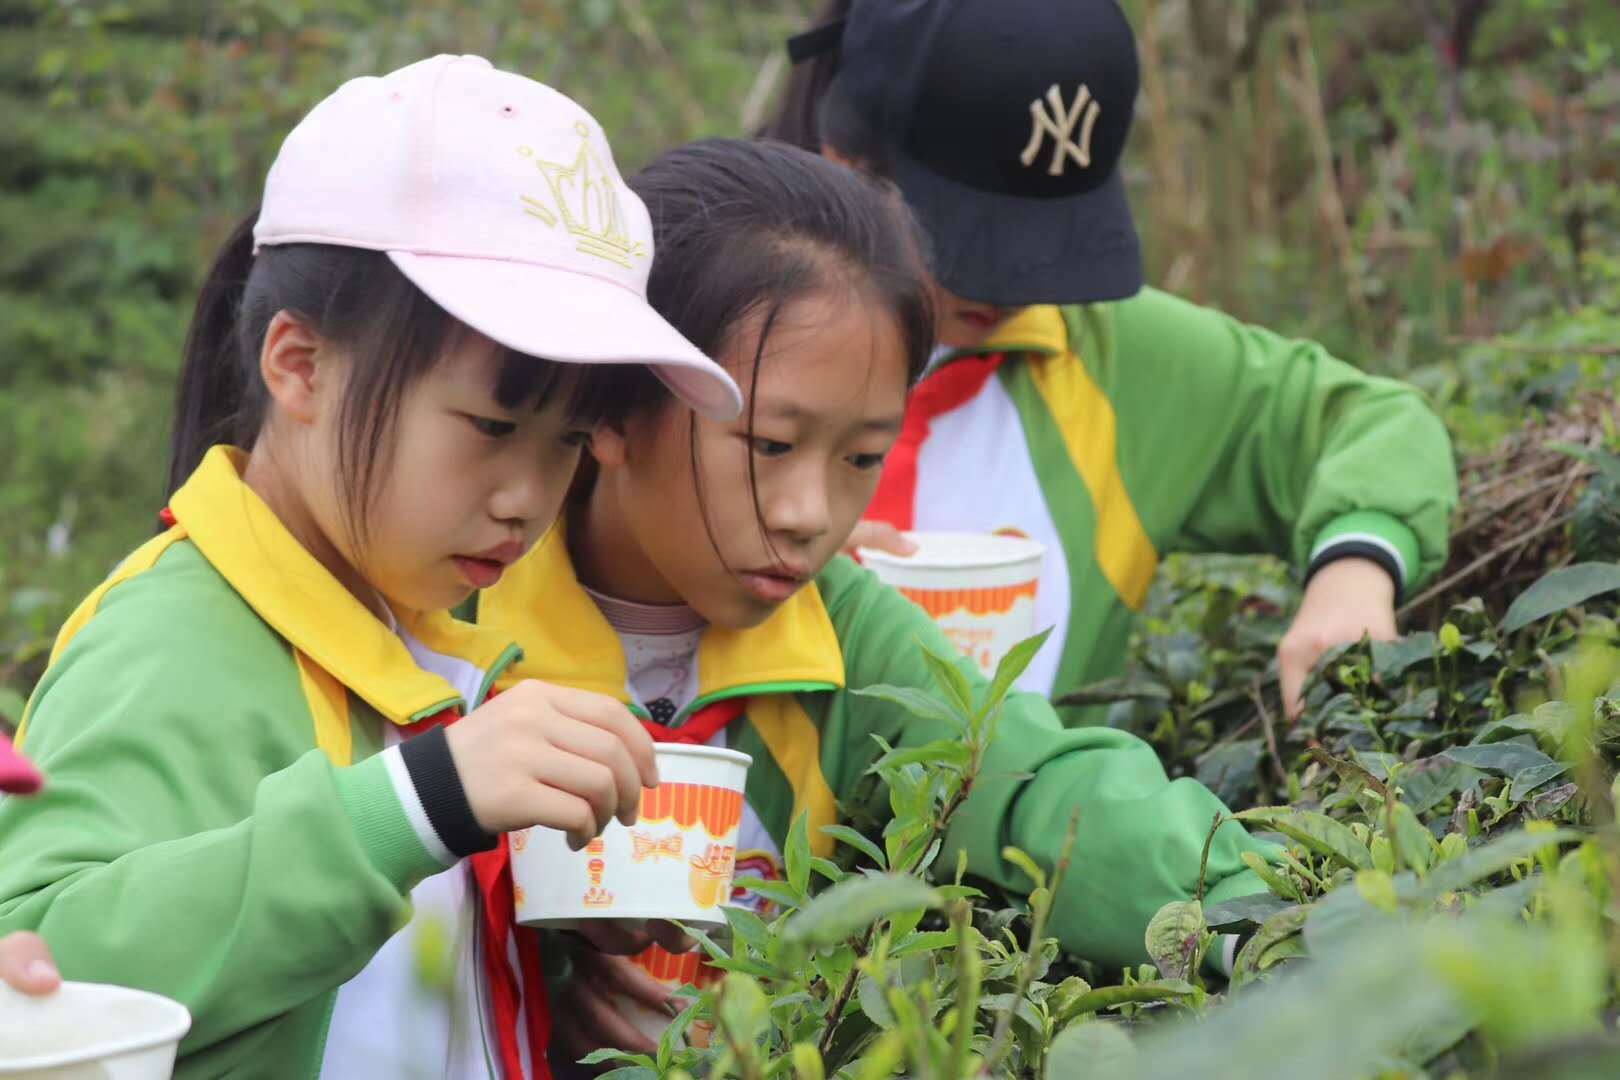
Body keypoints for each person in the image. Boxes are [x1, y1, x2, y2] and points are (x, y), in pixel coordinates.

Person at [457, 138, 1280, 1067]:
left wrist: (1282, 914)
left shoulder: (842, 632)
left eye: (860, 457)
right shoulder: (457, 625)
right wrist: (540, 978)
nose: (812, 517)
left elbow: (1034, 790)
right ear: (614, 408)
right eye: (769, 443)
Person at [0, 55, 740, 1078]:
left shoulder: (417, 642)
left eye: (565, 440)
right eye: (491, 423)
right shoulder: (172, 642)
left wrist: (547, 973)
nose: (527, 496)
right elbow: (42, 971)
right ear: (299, 365)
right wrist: (418, 805)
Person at [767, 0, 1459, 717]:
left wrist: (1356, 568)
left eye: (1047, 233)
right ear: (845, 157)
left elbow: (1372, 421)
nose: (1016, 284)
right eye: (971, 233)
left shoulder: (1111, 354)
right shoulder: (708, 313)